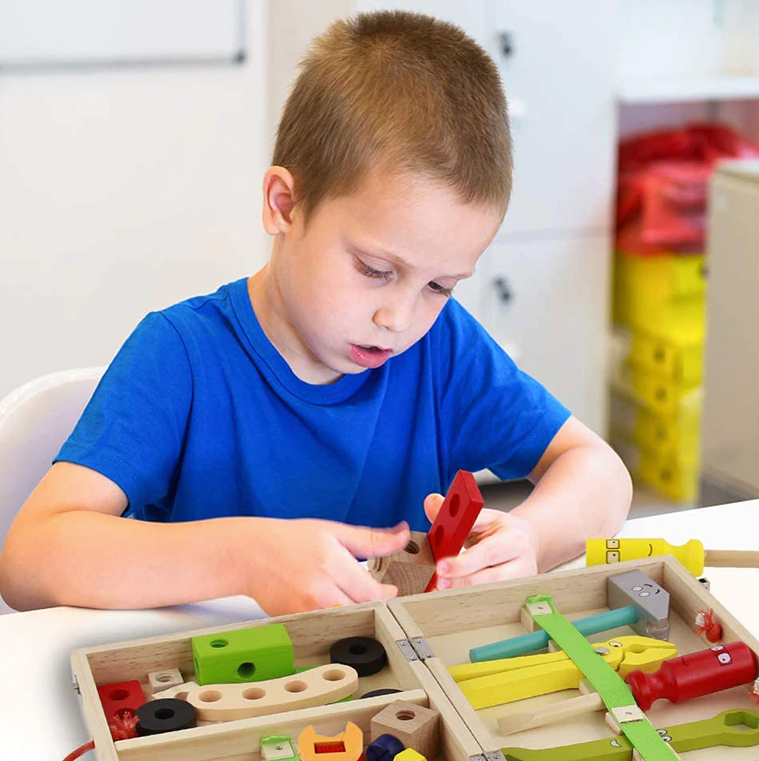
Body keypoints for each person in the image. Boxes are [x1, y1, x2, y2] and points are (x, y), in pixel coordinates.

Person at [0, 11, 631, 616]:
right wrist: (243, 558)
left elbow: (602, 473)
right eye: (374, 270)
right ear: (284, 205)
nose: (400, 318)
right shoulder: (181, 356)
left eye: (440, 285)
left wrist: (529, 537)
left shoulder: (442, 351)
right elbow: (29, 561)